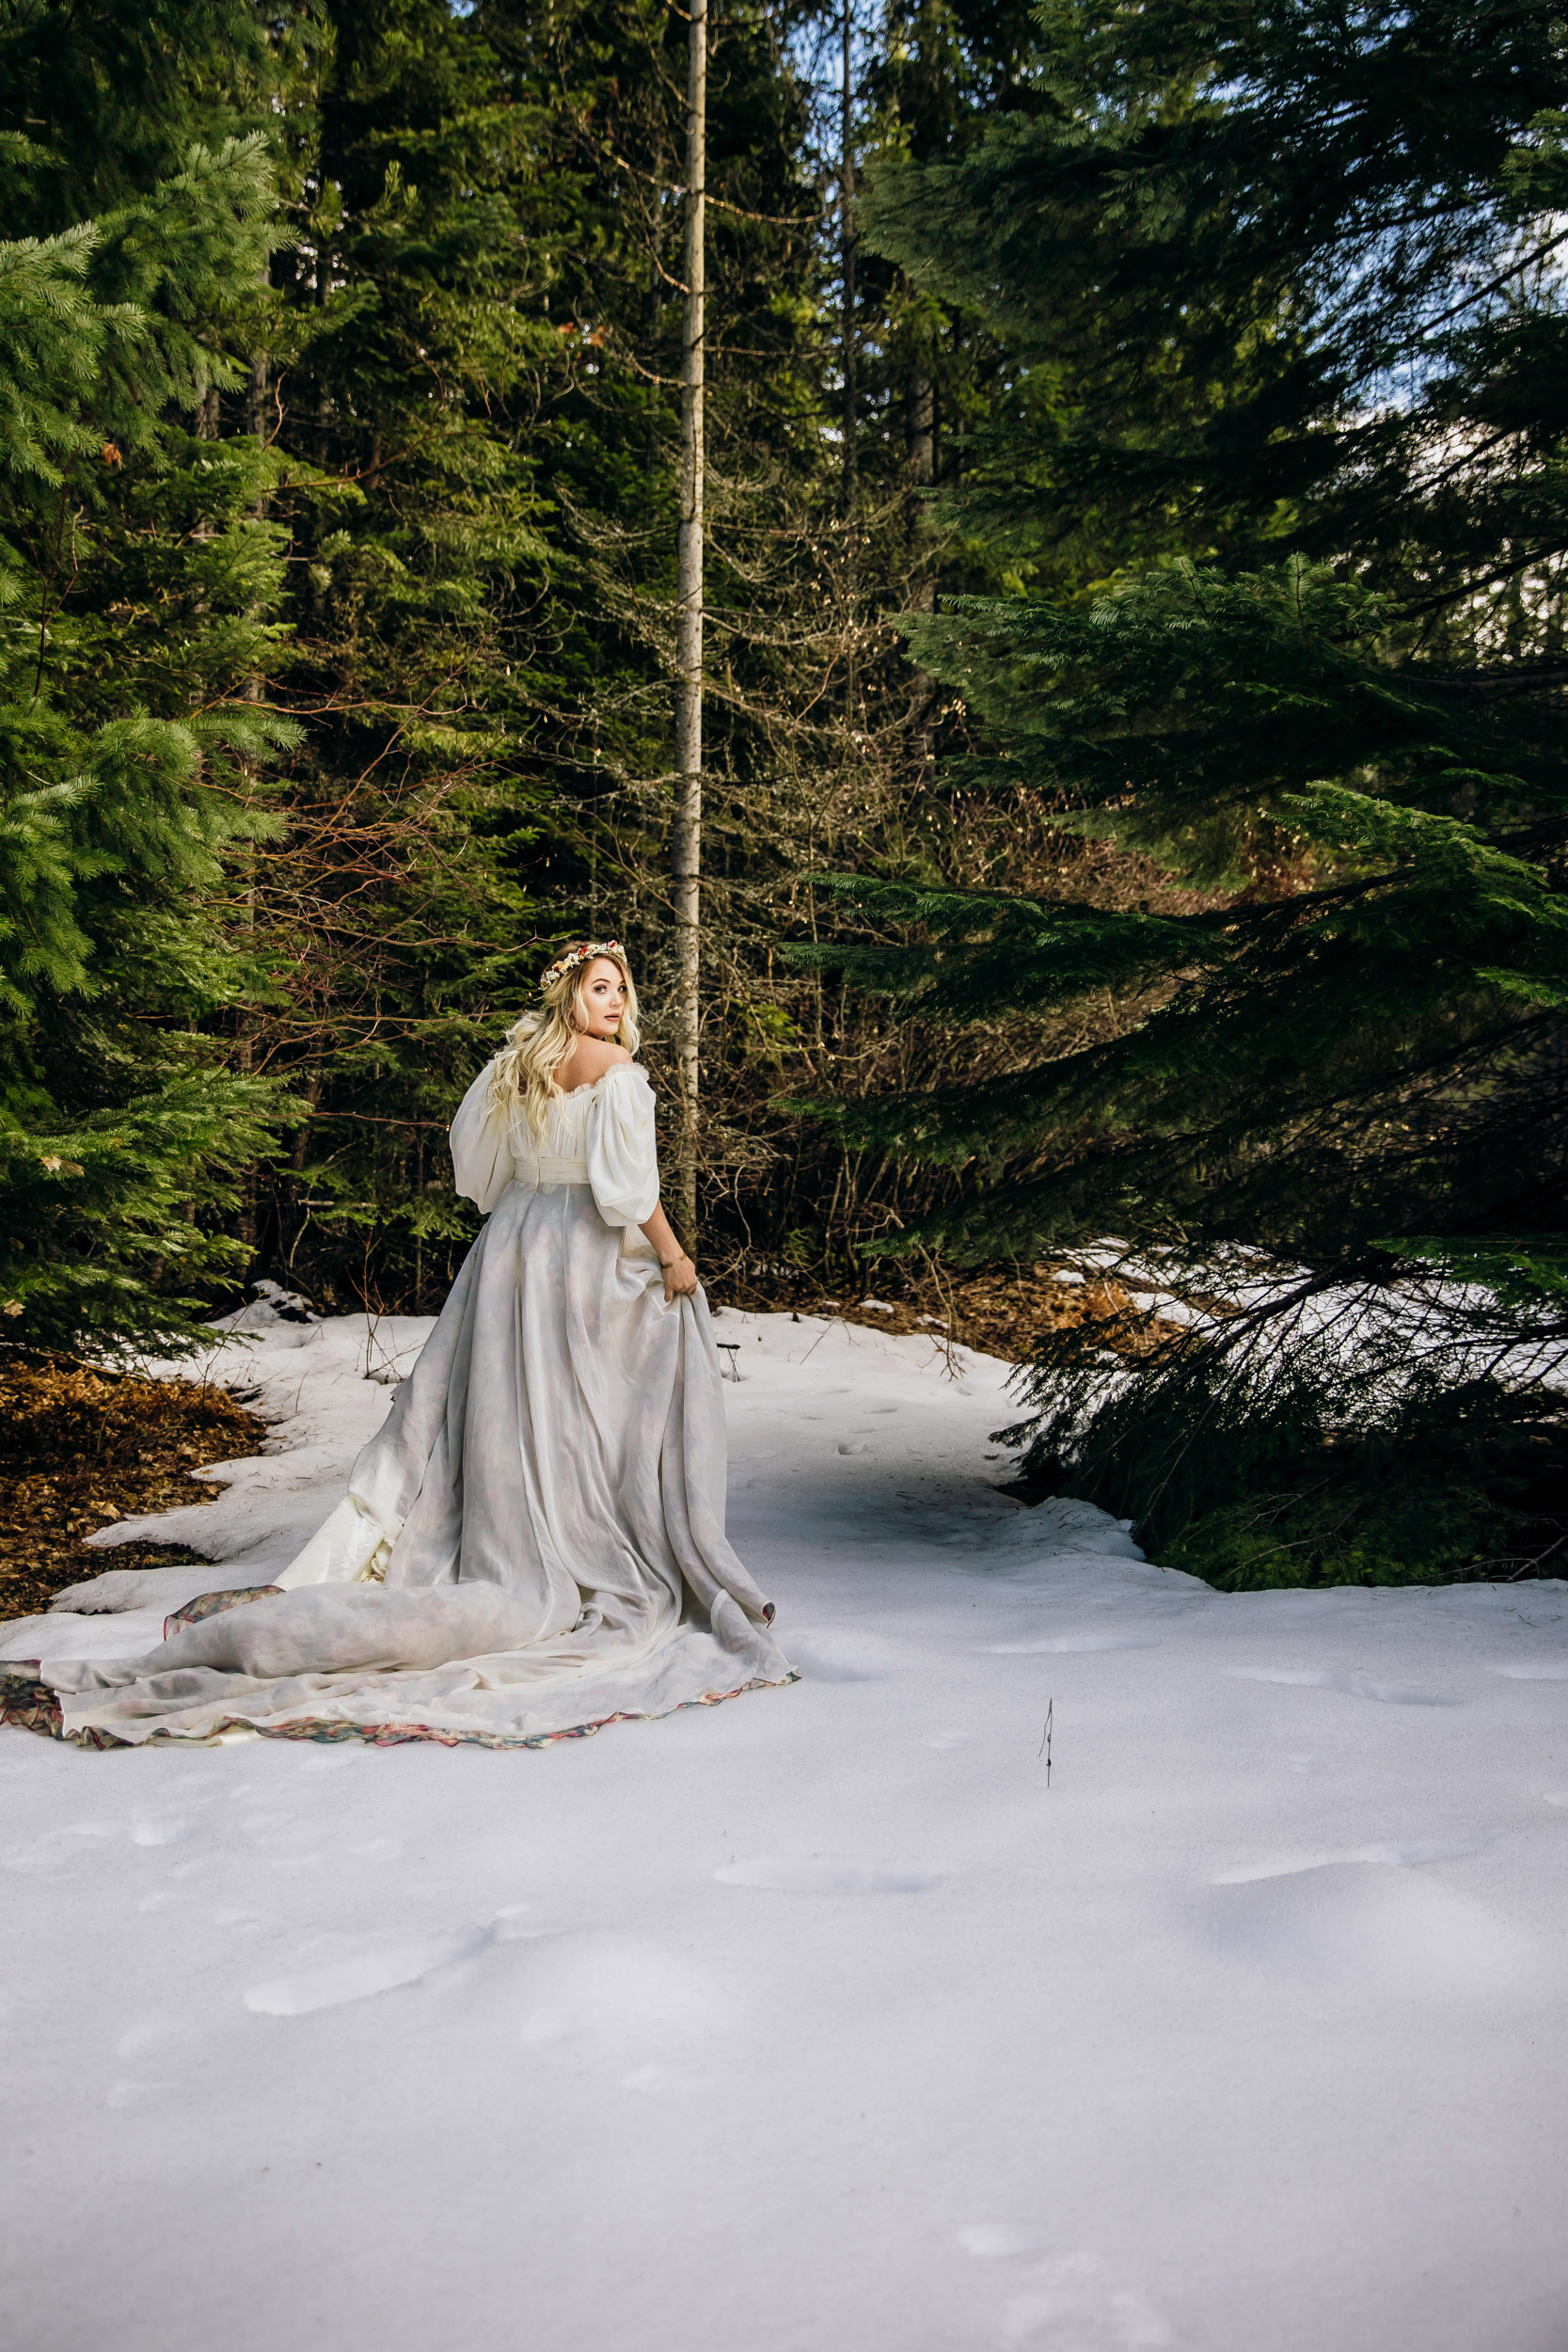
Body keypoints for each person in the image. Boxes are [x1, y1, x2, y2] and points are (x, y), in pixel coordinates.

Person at [20, 943, 795, 1749]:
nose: (613, 1000)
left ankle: (527, 1523)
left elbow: (481, 1174)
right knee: (589, 1403)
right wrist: (672, 1256)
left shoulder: (512, 1068)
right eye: (600, 987)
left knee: (510, 1400)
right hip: (584, 1253)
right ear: (569, 993)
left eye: (620, 990)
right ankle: (595, 1536)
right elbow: (631, 1192)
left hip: (511, 1247)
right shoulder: (618, 1074)